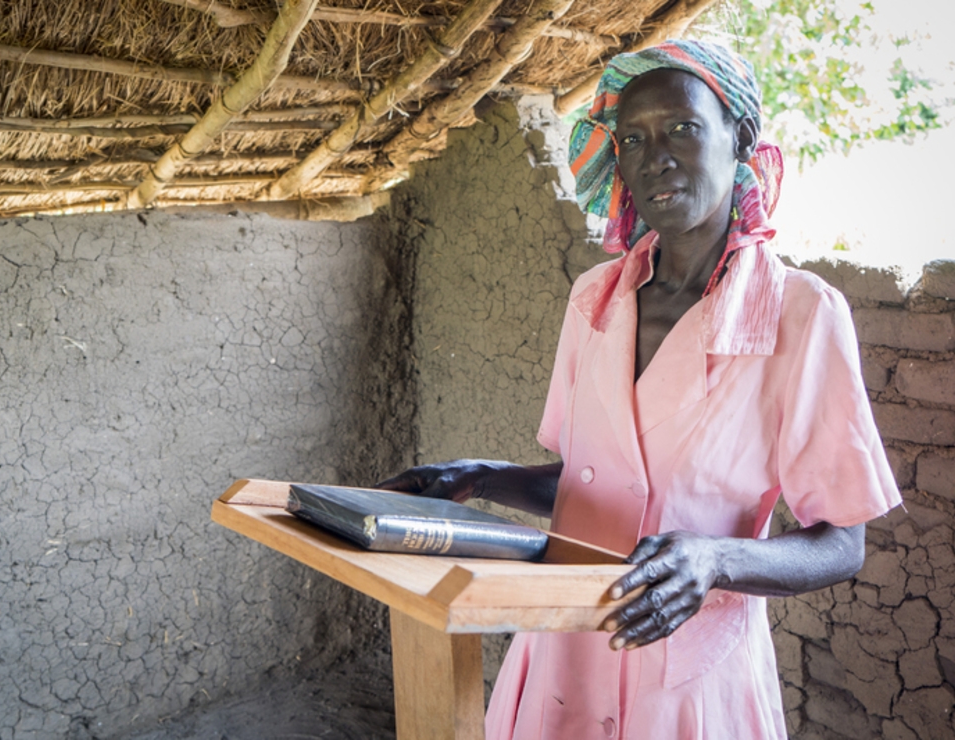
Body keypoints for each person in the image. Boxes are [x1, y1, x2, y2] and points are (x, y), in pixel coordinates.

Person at [377, 39, 902, 739]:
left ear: (739, 138)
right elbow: (592, 484)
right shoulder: (597, 298)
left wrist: (715, 559)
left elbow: (842, 543)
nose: (657, 154)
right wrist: (477, 476)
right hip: (561, 646)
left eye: (683, 127)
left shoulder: (800, 315)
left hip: (687, 678)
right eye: (633, 137)